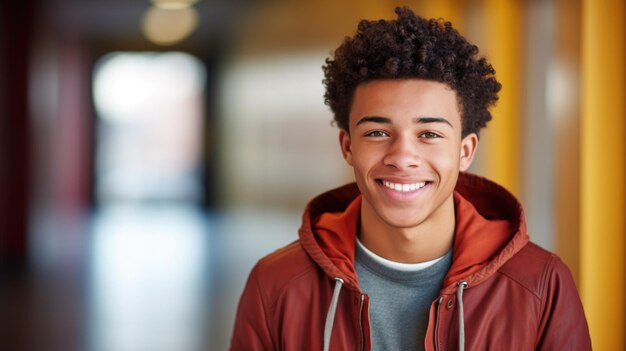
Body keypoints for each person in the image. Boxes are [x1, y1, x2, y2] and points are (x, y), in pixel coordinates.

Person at [230, 7, 591, 351]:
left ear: (465, 151)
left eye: (429, 134)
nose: (402, 157)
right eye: (376, 133)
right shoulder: (275, 284)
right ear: (348, 147)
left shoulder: (541, 284)